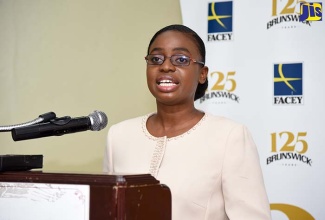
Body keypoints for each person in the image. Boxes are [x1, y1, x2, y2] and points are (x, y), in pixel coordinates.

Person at [103, 24, 272, 220]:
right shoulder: (119, 136)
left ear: (202, 74)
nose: (166, 66)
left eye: (181, 60)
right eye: (156, 59)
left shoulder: (229, 137)